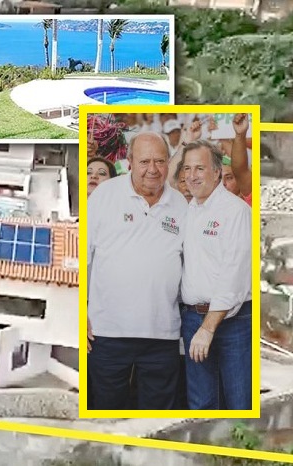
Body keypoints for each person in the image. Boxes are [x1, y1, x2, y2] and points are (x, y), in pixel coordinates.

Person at [87, 131, 188, 410]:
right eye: (144, 162)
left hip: (162, 333)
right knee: (107, 413)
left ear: (169, 162)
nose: (152, 169)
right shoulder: (104, 195)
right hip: (107, 331)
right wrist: (78, 311)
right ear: (129, 161)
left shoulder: (180, 204)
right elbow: (82, 255)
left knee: (157, 419)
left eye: (160, 161)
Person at [179, 139, 253, 410]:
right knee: (201, 405)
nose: (192, 176)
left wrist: (208, 328)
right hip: (192, 318)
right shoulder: (188, 210)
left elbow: (234, 273)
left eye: (199, 168)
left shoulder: (236, 211)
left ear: (217, 172)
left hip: (233, 322)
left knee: (239, 403)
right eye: (187, 169)